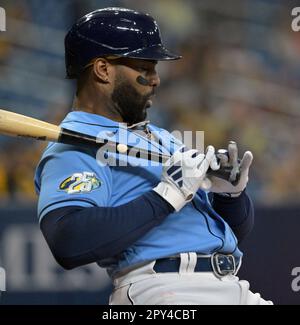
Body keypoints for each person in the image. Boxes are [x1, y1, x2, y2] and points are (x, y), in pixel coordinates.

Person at [34, 7, 272, 305]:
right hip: (165, 290)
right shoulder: (73, 146)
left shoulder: (160, 137)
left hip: (232, 284)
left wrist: (230, 196)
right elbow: (68, 241)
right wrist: (165, 197)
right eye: (144, 69)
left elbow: (230, 233)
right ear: (103, 70)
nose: (156, 79)